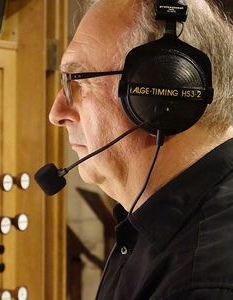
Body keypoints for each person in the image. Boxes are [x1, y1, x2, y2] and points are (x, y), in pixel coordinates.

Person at [48, 0, 233, 299]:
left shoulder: (201, 283)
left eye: (76, 80)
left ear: (164, 90)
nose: (57, 112)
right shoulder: (153, 222)